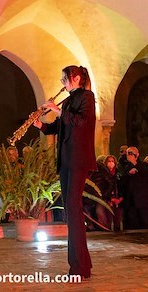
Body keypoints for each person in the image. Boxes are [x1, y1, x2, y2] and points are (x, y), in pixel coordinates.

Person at [35, 65, 96, 280]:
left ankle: (79, 266)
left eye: (64, 78)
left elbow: (80, 122)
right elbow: (60, 126)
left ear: (76, 77)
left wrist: (57, 109)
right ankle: (82, 264)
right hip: (67, 161)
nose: (62, 82)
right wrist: (41, 125)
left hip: (78, 160)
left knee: (73, 208)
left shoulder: (87, 97)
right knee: (71, 211)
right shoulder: (70, 100)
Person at [122, 146, 148, 230]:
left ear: (137, 154)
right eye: (128, 153)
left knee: (144, 222)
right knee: (132, 223)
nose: (129, 155)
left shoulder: (144, 165)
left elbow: (147, 177)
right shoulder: (125, 167)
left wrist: (135, 165)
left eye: (131, 153)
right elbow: (123, 181)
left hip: (142, 200)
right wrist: (129, 174)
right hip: (130, 200)